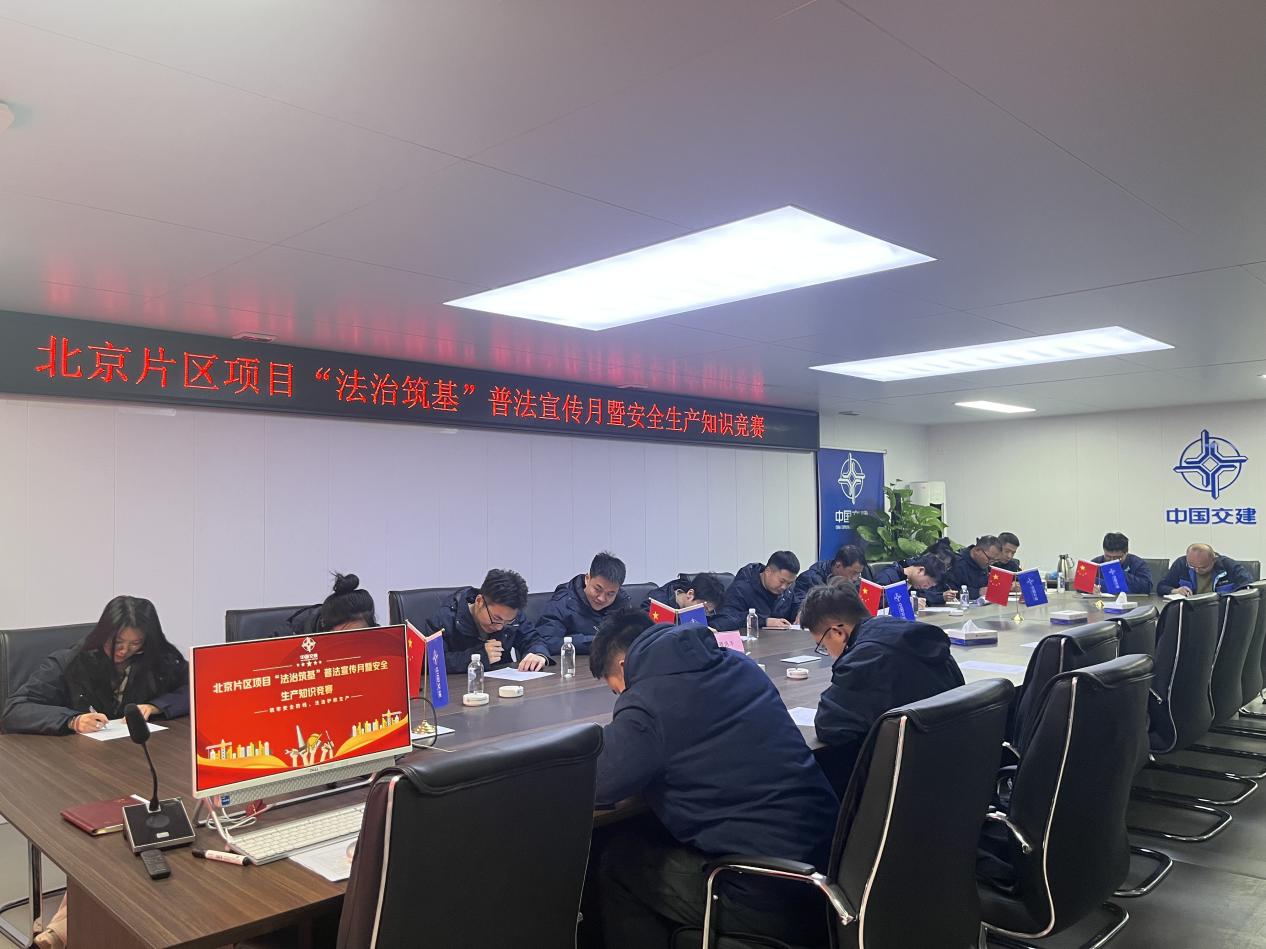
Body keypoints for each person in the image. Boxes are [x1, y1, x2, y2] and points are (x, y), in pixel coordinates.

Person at [585, 608, 838, 948]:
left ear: (622, 665)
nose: (622, 698)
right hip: (829, 868)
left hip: (763, 892)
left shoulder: (648, 702)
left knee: (617, 861)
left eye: (618, 691)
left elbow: (597, 784)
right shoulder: (740, 665)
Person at [2, 596, 189, 949]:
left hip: (143, 768)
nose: (124, 651)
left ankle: (68, 930)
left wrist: (157, 705)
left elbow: (194, 687)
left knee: (163, 827)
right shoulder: (71, 661)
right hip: (81, 776)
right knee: (111, 845)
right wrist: (71, 720)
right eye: (117, 643)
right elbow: (15, 709)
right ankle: (70, 929)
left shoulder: (160, 662)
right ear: (103, 634)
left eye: (135, 644)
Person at [803, 581, 964, 792]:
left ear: (837, 632)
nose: (828, 654)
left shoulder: (866, 658)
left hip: (905, 785)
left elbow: (829, 726)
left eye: (823, 646)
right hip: (955, 771)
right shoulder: (913, 634)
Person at [424, 569, 551, 672]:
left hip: (502, 685)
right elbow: (430, 662)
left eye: (508, 622)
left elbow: (533, 639)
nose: (500, 626)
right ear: (479, 601)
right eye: (496, 619)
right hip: (460, 689)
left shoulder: (509, 614)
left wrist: (538, 654)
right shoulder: (445, 618)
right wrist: (478, 657)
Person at [536, 551, 630, 654]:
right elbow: (546, 642)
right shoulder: (563, 602)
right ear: (587, 579)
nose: (602, 598)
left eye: (610, 594)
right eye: (597, 589)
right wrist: (595, 642)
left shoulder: (621, 602)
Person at [713, 550, 800, 631]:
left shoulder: (786, 591)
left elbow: (795, 606)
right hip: (751, 640)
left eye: (789, 583)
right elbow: (725, 619)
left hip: (781, 639)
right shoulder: (742, 588)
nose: (784, 587)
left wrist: (801, 612)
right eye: (781, 581)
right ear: (768, 571)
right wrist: (765, 621)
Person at [789, 544, 873, 611]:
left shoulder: (856, 581)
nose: (855, 578)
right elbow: (798, 608)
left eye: (858, 573)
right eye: (854, 573)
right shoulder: (810, 578)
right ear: (838, 565)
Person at [286, 573, 377, 634]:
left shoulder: (376, 637)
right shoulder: (295, 639)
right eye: (344, 634)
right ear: (328, 627)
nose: (350, 643)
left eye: (359, 636)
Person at [1157, 543, 1253, 596]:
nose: (1197, 570)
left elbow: (1247, 586)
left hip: (1220, 610)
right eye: (1192, 566)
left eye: (1203, 567)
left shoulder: (1227, 565)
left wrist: (1223, 597)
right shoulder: (1181, 563)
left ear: (1214, 560)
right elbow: (1161, 586)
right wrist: (1175, 590)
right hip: (1189, 610)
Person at [638, 572, 725, 618]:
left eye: (709, 612)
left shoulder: (708, 613)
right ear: (690, 594)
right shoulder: (656, 602)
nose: (704, 615)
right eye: (704, 609)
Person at [949, 535, 1004, 601]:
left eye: (995, 560)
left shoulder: (983, 563)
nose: (991, 563)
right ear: (977, 550)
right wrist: (978, 592)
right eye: (989, 559)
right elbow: (949, 591)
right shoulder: (956, 563)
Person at [872, 554, 946, 593]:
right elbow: (875, 601)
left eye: (930, 586)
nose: (926, 587)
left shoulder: (912, 584)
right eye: (927, 583)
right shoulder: (888, 576)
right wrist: (906, 602)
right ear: (920, 570)